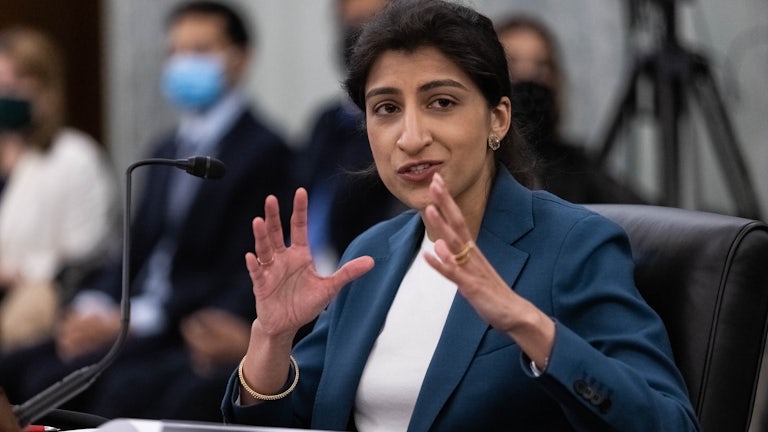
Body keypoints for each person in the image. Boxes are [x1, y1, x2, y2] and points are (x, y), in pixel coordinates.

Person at [222, 0, 699, 430]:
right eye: (386, 108)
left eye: (442, 103)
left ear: (498, 118)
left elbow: (670, 423)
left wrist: (526, 323)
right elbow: (289, 418)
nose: (411, 137)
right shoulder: (369, 255)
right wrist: (272, 339)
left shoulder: (575, 244)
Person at [0, 0, 294, 422]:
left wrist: (130, 320)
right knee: (13, 368)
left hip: (179, 327)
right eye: (174, 51)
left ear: (240, 58)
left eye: (199, 50)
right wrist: (93, 305)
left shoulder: (265, 151)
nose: (182, 62)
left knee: (88, 387)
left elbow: (238, 269)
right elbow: (133, 249)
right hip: (128, 317)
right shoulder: (165, 148)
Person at [0, 27, 116, 353]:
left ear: (45, 88)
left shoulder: (75, 156)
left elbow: (86, 253)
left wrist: (20, 272)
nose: (4, 94)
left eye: (14, 84)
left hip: (45, 296)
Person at [296, 0, 405, 273]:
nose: (359, 33)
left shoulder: (408, 129)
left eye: (373, 20)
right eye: (351, 24)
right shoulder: (326, 121)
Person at [496, 15, 646, 204]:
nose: (528, 76)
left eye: (541, 66)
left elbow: (646, 215)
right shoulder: (477, 166)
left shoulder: (575, 167)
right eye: (511, 65)